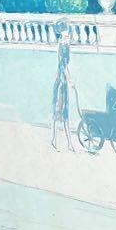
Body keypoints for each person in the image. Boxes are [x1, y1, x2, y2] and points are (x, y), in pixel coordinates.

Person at [51, 23, 76, 152]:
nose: (68, 38)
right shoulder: (63, 47)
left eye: (68, 36)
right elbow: (63, 67)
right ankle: (59, 141)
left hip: (61, 82)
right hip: (62, 83)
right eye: (65, 36)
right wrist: (70, 81)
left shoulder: (63, 46)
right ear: (61, 36)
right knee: (60, 112)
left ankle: (66, 143)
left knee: (62, 113)